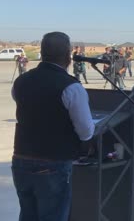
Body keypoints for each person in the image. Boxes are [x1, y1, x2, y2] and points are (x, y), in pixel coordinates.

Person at [11, 32, 95, 221]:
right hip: (53, 162)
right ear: (68, 55)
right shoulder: (71, 87)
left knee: (28, 215)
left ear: (42, 53)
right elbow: (85, 130)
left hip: (21, 159)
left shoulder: (21, 82)